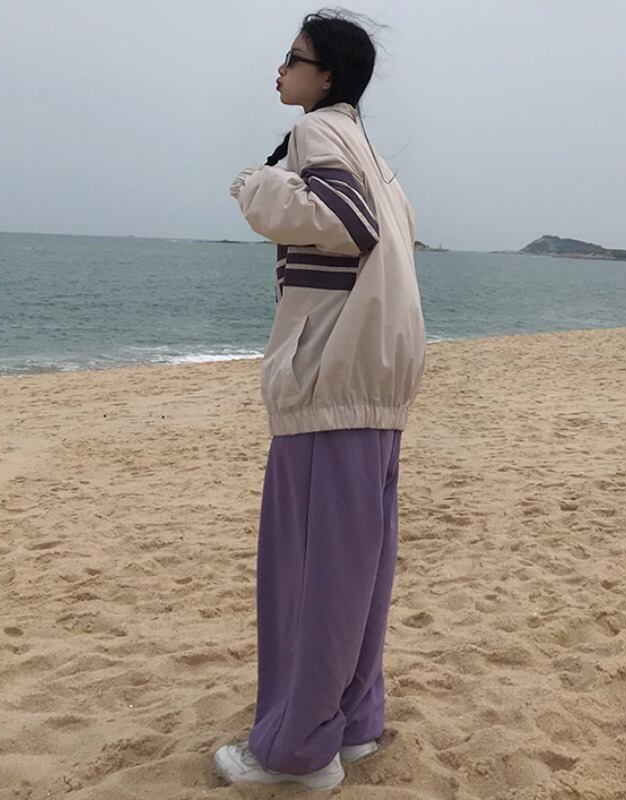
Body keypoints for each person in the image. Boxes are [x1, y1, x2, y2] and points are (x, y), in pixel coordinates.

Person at [216, 8, 426, 792]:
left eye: (293, 57)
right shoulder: (375, 156)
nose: (280, 69)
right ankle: (354, 722)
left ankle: (298, 751)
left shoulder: (317, 133)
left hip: (330, 378)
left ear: (326, 74)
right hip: (379, 379)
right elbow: (380, 230)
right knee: (356, 570)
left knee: (310, 575)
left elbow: (343, 221)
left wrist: (256, 184)